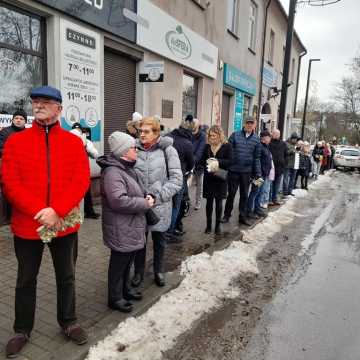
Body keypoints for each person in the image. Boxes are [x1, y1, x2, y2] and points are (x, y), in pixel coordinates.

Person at [2, 86, 90, 358]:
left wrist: (58, 211)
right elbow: (9, 181)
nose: (38, 106)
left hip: (63, 225)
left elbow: (81, 180)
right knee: (25, 279)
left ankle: (68, 321)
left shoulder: (74, 142)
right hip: (29, 225)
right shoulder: (16, 142)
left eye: (46, 102)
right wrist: (41, 210)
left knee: (66, 276)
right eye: (35, 101)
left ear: (59, 109)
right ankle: (21, 329)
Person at [97, 131, 154, 313]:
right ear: (123, 151)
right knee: (119, 263)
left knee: (127, 260)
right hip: (120, 226)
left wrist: (147, 194)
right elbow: (118, 200)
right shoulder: (113, 172)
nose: (136, 149)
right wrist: (144, 203)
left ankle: (126, 290)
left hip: (129, 225)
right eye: (132, 147)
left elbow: (136, 189)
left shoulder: (127, 168)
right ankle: (115, 298)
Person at [131, 117, 182, 287]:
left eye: (146, 131)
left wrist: (157, 197)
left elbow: (176, 180)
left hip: (160, 206)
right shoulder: (133, 149)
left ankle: (159, 271)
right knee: (140, 242)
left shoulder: (168, 150)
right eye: (140, 131)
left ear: (156, 133)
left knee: (160, 240)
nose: (142, 135)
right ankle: (138, 272)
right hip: (140, 205)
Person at [222, 116, 261, 226]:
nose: (249, 125)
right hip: (234, 170)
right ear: (244, 124)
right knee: (231, 194)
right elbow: (228, 150)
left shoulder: (256, 139)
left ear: (254, 125)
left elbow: (257, 157)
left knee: (244, 195)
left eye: (251, 123)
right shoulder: (235, 135)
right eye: (247, 123)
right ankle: (226, 215)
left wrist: (257, 173)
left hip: (246, 172)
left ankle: (242, 217)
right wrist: (229, 163)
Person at [166, 120, 195, 242]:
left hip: (164, 176)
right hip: (178, 178)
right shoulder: (187, 143)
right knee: (175, 206)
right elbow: (191, 163)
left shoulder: (167, 137)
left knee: (165, 205)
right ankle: (169, 233)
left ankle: (164, 231)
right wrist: (186, 172)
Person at [201, 125, 232, 234]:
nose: (212, 138)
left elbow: (230, 162)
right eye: (210, 136)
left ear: (220, 135)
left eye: (214, 136)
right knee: (209, 203)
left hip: (220, 178)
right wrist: (207, 164)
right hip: (209, 178)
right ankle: (208, 226)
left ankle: (217, 226)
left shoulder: (227, 146)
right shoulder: (207, 146)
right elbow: (201, 161)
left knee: (219, 203)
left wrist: (216, 161)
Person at [71, 122, 100, 219]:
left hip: (82, 172)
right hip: (76, 172)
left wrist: (86, 144)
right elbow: (96, 155)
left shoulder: (86, 142)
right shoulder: (68, 141)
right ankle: (82, 213)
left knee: (86, 192)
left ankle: (88, 212)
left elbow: (95, 154)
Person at [247, 130, 272, 218]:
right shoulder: (260, 146)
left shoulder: (266, 146)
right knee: (254, 192)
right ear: (264, 138)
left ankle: (257, 209)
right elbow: (257, 160)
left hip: (264, 174)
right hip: (258, 175)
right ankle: (249, 211)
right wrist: (258, 173)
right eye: (269, 137)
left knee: (260, 192)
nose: (270, 139)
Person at [269, 129, 287, 205]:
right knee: (270, 184)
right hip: (271, 168)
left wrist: (284, 164)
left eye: (278, 134)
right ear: (272, 134)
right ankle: (269, 199)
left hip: (280, 168)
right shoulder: (269, 143)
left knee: (277, 185)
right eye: (275, 133)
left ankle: (275, 199)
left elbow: (285, 154)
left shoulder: (283, 144)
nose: (276, 135)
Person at [192, 118, 207, 210]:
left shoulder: (202, 136)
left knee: (199, 185)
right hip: (189, 164)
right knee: (187, 185)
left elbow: (200, 151)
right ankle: (187, 201)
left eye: (194, 123)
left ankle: (198, 202)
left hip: (199, 164)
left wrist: (193, 160)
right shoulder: (188, 133)